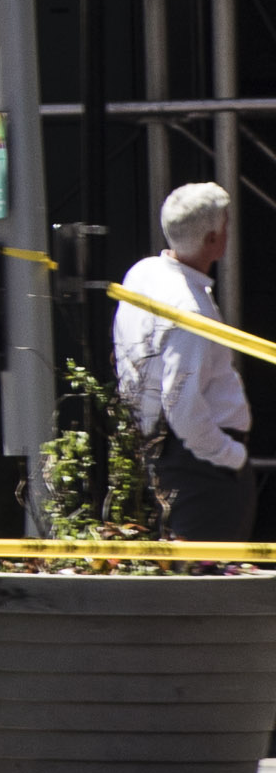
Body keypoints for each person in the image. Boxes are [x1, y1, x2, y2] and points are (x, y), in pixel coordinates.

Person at [118, 183, 251, 542]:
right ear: (212, 240)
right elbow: (184, 408)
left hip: (162, 449)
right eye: (224, 224)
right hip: (200, 467)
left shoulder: (142, 274)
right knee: (206, 583)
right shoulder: (190, 311)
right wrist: (230, 456)